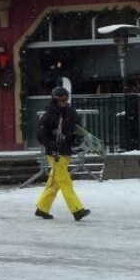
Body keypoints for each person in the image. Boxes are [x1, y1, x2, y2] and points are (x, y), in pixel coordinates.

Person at [35, 87, 90, 221]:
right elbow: (41, 135)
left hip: (66, 151)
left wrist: (77, 141)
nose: (64, 101)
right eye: (61, 99)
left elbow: (76, 129)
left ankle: (42, 208)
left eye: (66, 99)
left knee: (54, 183)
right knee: (65, 182)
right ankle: (77, 210)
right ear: (55, 99)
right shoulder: (48, 115)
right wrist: (51, 144)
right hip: (55, 153)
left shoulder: (71, 111)